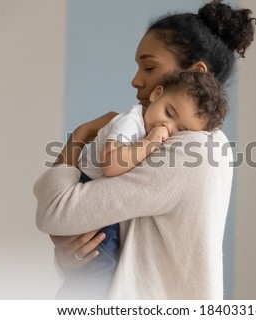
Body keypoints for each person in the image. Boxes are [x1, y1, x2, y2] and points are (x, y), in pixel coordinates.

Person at [35, 0, 256, 299]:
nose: (136, 80)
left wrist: (81, 135)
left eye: (150, 66)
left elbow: (55, 211)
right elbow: (124, 246)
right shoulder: (177, 141)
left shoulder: (193, 150)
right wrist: (73, 258)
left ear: (197, 72)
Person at [57, 70, 228, 299]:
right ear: (157, 94)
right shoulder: (130, 121)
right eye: (169, 113)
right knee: (97, 275)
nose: (168, 127)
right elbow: (111, 164)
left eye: (182, 130)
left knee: (99, 271)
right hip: (89, 186)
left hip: (103, 201)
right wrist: (149, 143)